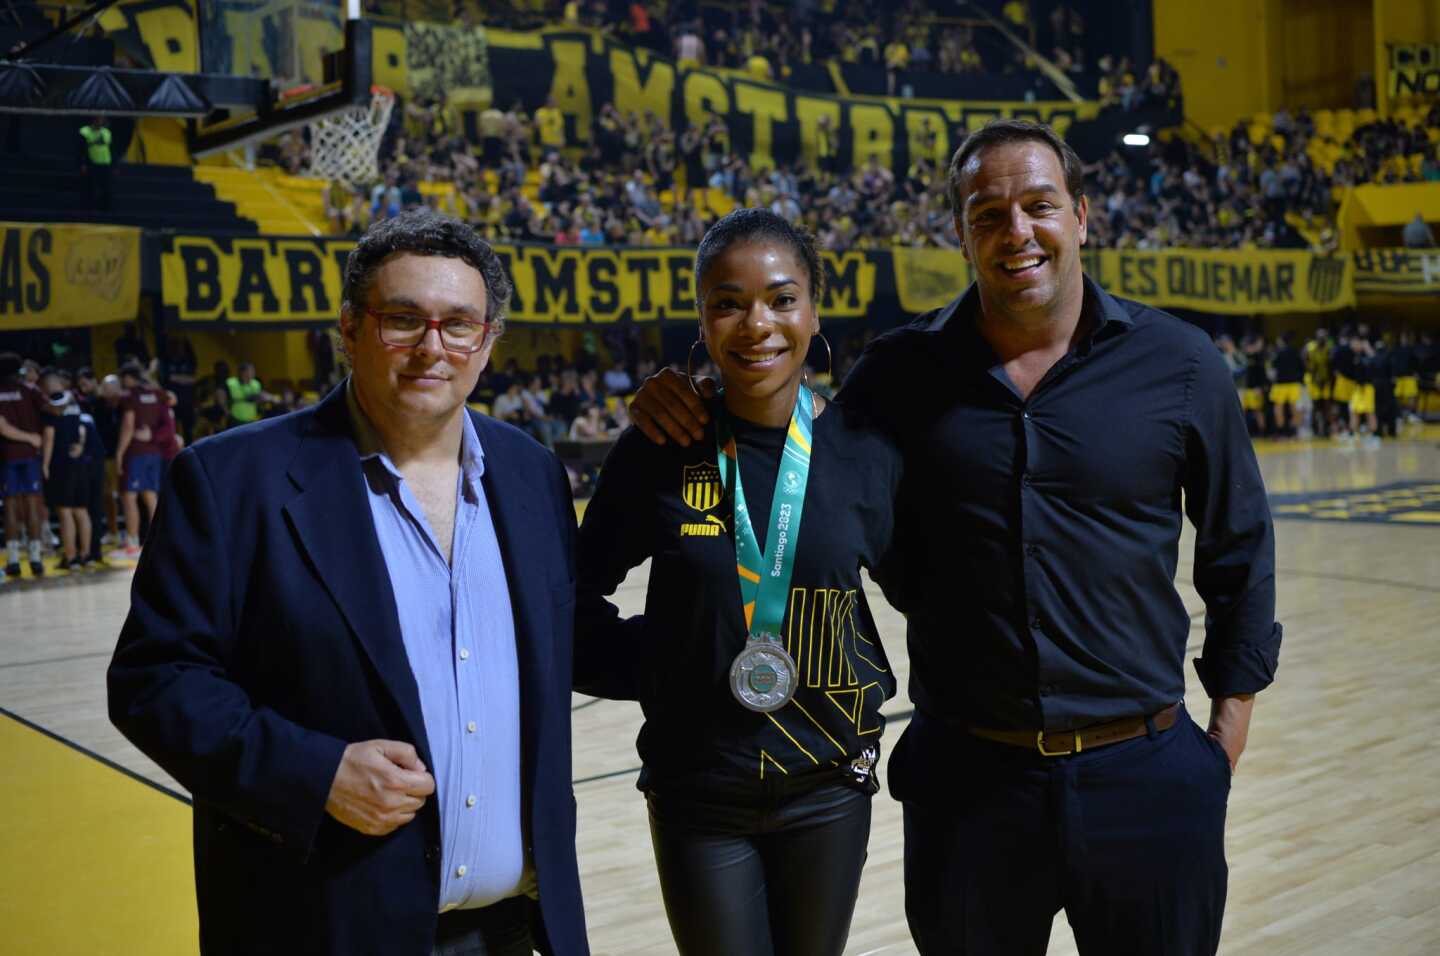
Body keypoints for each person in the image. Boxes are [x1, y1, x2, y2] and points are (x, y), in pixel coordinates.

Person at [630, 120, 1281, 956]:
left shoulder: (1181, 364)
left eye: (1039, 205)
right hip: (970, 784)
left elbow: (1240, 547)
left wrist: (1220, 743)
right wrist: (688, 395)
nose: (1018, 232)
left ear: (1081, 216)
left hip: (1146, 778)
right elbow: (790, 457)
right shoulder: (898, 373)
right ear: (961, 232)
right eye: (988, 213)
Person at [107, 210, 589, 955]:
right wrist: (313, 772)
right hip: (323, 926)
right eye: (404, 320)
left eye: (459, 324)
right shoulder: (234, 480)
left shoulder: (530, 473)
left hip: (515, 931)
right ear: (350, 330)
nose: (433, 348)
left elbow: (575, 643)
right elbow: (154, 680)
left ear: (488, 342)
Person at [575, 209, 903, 956]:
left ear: (815, 312)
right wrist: (656, 661)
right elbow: (571, 596)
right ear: (703, 320)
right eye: (729, 302)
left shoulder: (862, 452)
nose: (758, 323)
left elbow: (930, 594)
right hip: (700, 797)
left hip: (827, 788)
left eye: (782, 299)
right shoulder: (660, 445)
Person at [113, 361, 172, 557]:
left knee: (129, 497)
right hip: (154, 452)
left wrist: (119, 453)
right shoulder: (157, 393)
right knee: (150, 496)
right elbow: (171, 404)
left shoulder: (131, 396)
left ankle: (132, 543)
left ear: (128, 379)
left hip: (136, 452)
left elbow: (128, 426)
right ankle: (160, 541)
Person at [39, 371, 93, 571]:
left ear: (46, 385)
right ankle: (85, 555)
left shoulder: (51, 405)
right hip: (78, 462)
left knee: (65, 511)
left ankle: (70, 557)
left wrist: (44, 464)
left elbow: (49, 436)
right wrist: (79, 445)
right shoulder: (74, 403)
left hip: (61, 463)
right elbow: (81, 430)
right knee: (81, 510)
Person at [0, 352, 47, 577]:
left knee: (10, 507)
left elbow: (2, 427)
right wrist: (32, 437)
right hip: (30, 456)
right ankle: (36, 559)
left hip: (7, 456)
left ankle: (14, 560)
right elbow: (52, 410)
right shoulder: (30, 390)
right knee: (32, 505)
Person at [1269, 331, 1305, 437]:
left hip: (1280, 384)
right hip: (1294, 383)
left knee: (1278, 408)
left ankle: (1281, 431)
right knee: (1294, 407)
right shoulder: (1295, 351)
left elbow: (1273, 367)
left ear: (1281, 340)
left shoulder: (1278, 352)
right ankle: (1295, 430)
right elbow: (1302, 367)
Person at [79, 115, 113, 209]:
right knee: (91, 189)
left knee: (107, 188)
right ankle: (90, 209)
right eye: (98, 119)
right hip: (92, 164)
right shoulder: (84, 131)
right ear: (93, 120)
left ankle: (106, 209)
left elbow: (111, 148)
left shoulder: (106, 132)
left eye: (102, 119)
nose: (100, 121)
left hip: (105, 163)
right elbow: (81, 149)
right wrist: (83, 163)